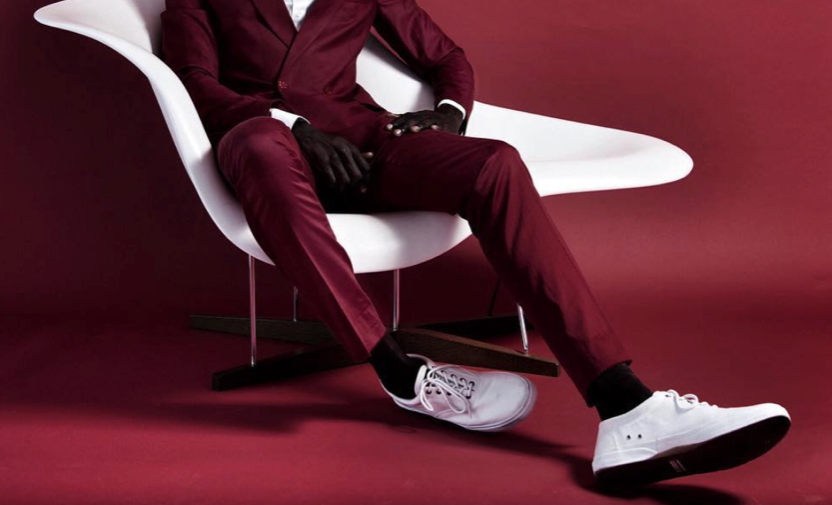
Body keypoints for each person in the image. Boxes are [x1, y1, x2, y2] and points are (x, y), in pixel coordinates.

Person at [159, 0, 791, 488]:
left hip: (363, 142)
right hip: (263, 141)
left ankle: (626, 408)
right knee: (261, 146)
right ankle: (401, 372)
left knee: (495, 164)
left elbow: (446, 58)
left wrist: (448, 115)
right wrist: (291, 125)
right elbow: (196, 80)